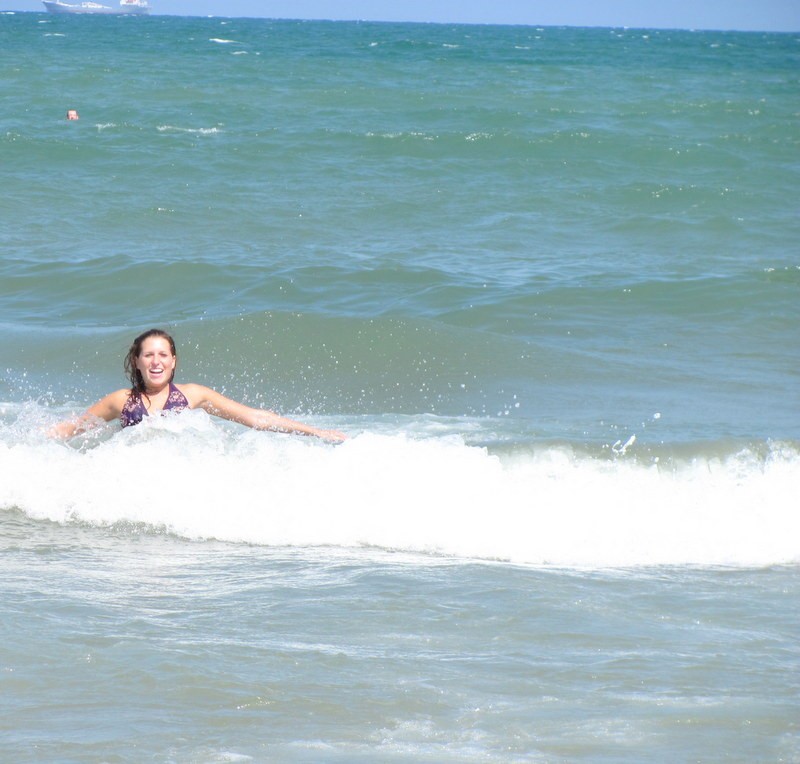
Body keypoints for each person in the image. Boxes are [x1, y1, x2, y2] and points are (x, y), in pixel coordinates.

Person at [49, 328, 347, 442]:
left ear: (173, 361)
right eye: (148, 355)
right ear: (137, 362)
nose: (156, 362)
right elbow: (73, 428)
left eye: (163, 355)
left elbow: (255, 418)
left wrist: (317, 432)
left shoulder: (193, 395)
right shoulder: (121, 400)